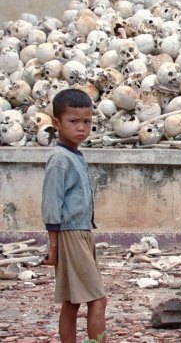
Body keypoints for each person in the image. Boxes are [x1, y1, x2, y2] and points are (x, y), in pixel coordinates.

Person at [41, 88, 107, 343]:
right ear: (56, 123)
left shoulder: (74, 155)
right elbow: (51, 205)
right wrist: (54, 246)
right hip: (71, 234)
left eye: (87, 122)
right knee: (97, 300)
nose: (81, 127)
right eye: (73, 121)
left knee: (71, 302)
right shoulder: (60, 160)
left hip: (81, 232)